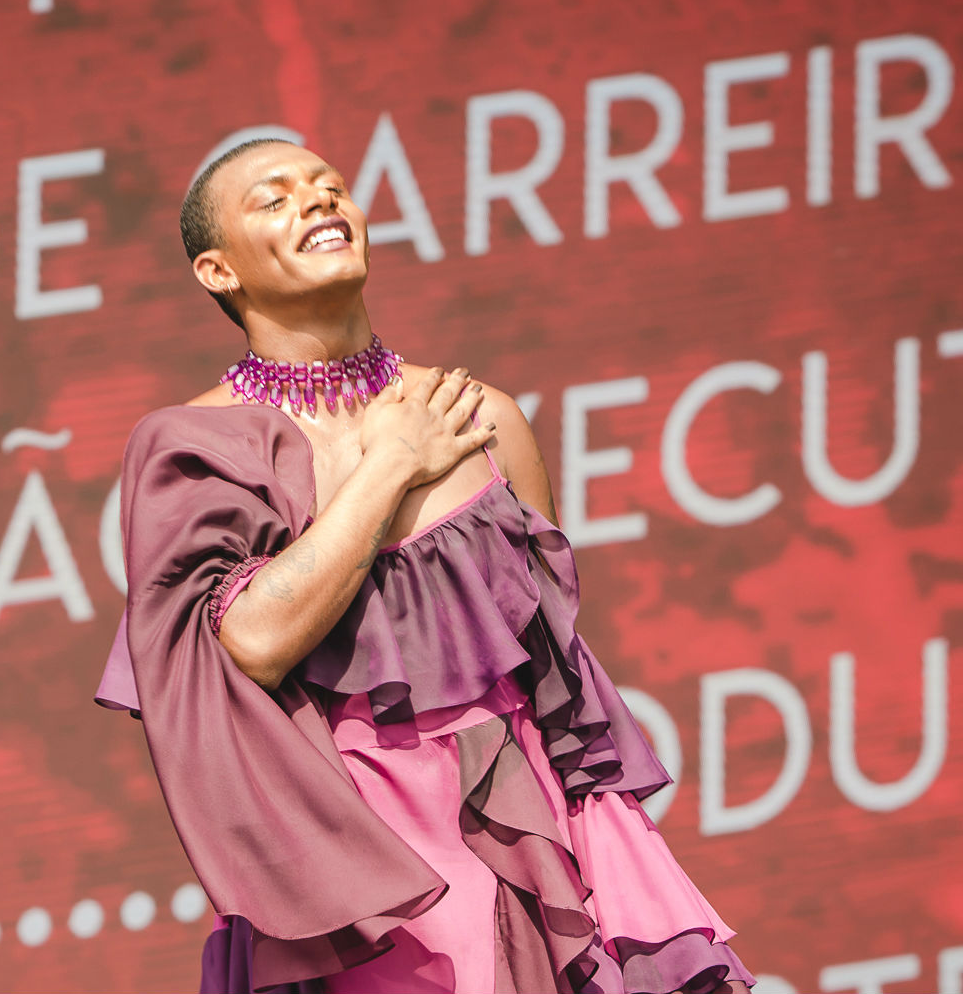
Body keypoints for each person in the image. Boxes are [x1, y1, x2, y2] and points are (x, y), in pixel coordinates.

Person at [95, 138, 754, 994]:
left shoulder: (482, 416)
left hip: (521, 844)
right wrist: (390, 463)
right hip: (348, 873)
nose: (319, 201)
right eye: (275, 197)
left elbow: (554, 672)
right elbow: (254, 640)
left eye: (331, 187)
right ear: (218, 270)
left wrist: (605, 866)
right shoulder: (190, 444)